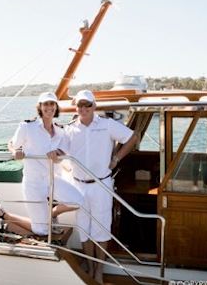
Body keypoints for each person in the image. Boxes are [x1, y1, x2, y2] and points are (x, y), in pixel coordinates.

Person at [58, 89, 138, 284]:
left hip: (101, 184)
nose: (83, 108)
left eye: (87, 104)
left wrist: (116, 158)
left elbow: (133, 137)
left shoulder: (107, 125)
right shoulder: (69, 129)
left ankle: (99, 270)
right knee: (84, 229)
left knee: (101, 228)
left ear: (94, 106)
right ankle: (90, 265)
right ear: (75, 107)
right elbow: (59, 149)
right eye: (80, 105)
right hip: (78, 185)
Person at [0, 92, 83, 237]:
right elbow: (12, 144)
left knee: (78, 201)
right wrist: (16, 151)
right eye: (46, 104)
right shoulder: (27, 127)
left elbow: (62, 153)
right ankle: (6, 216)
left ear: (56, 107)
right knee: (42, 231)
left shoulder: (60, 131)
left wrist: (58, 156)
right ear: (40, 107)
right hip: (34, 182)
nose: (49, 107)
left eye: (52, 104)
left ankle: (51, 214)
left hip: (53, 179)